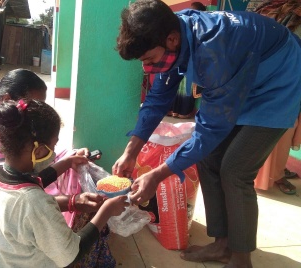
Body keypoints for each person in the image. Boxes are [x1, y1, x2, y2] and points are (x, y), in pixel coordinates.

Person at [113, 1, 301, 267]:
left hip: (277, 83)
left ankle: (241, 258)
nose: (147, 68)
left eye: (149, 59)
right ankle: (223, 245)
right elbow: (157, 100)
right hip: (244, 75)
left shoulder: (214, 52)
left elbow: (210, 129)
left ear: (171, 40)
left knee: (236, 170)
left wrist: (157, 175)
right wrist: (130, 151)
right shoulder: (173, 31)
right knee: (208, 157)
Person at [0, 69, 117, 267]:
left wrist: (68, 168)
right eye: (53, 147)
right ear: (38, 151)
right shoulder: (35, 203)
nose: (54, 153)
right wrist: (106, 211)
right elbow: (70, 254)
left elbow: (34, 183)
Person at [252, 0, 301, 195]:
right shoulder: (274, 11)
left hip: (269, 78)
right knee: (283, 130)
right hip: (285, 79)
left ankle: (273, 172)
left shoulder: (269, 8)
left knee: (281, 129)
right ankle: (275, 174)